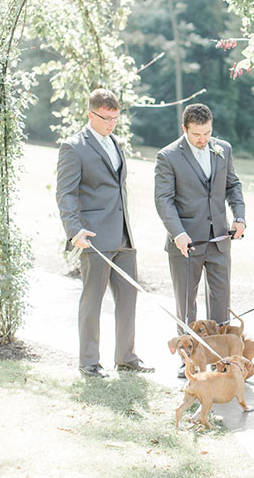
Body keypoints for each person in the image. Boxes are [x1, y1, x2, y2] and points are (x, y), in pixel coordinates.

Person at [55, 88, 152, 378]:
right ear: (90, 114)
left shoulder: (116, 143)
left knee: (128, 298)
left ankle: (126, 357)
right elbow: (66, 194)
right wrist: (74, 231)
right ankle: (89, 362)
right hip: (94, 237)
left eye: (115, 118)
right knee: (92, 300)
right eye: (105, 118)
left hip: (123, 236)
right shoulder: (74, 147)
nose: (111, 124)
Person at [154, 103, 245, 377]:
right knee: (186, 304)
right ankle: (189, 361)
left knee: (221, 301)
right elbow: (164, 200)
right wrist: (178, 234)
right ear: (185, 129)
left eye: (207, 133)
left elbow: (233, 185)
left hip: (219, 240)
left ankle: (220, 360)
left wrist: (239, 217)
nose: (203, 139)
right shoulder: (168, 156)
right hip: (186, 244)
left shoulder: (223, 149)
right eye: (196, 134)